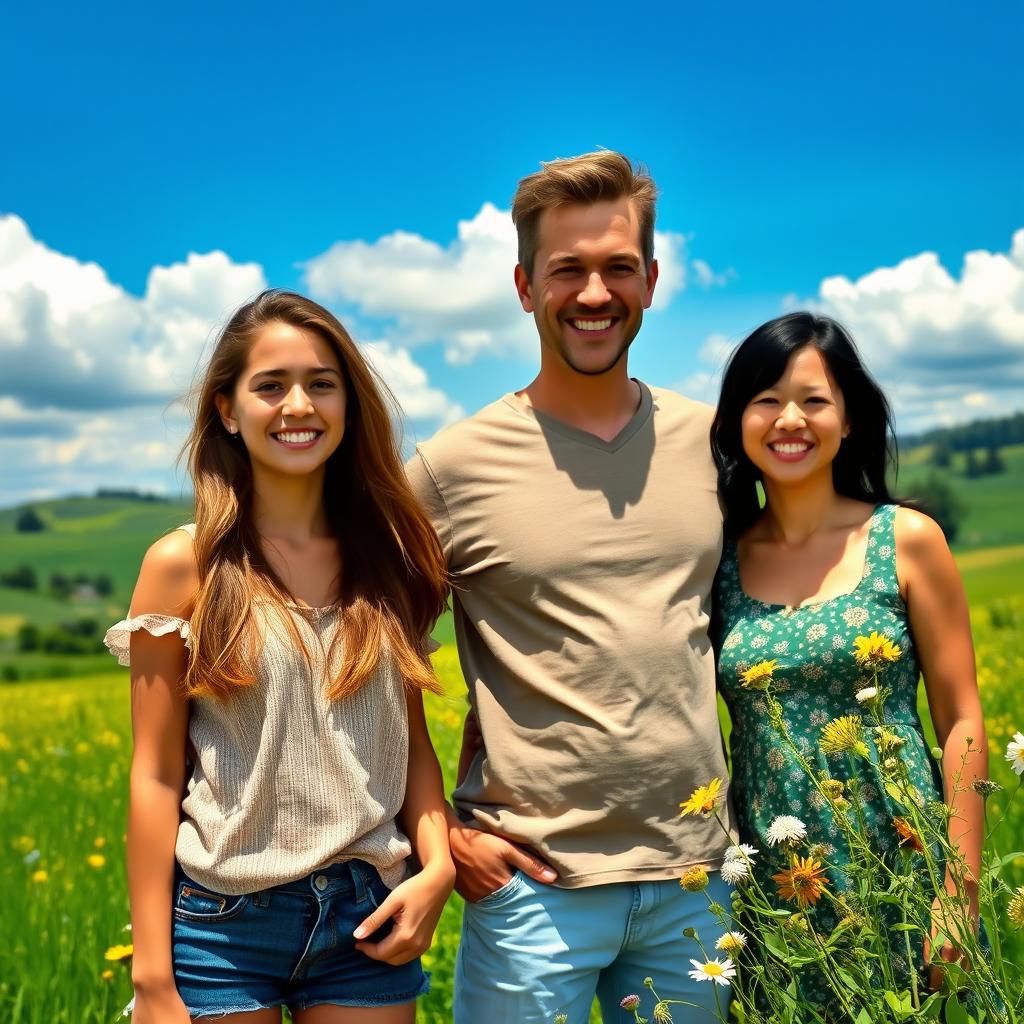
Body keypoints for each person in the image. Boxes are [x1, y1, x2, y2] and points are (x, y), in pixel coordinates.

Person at [406, 151, 735, 1023]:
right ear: (524, 286)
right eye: (569, 270)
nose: (596, 293)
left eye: (618, 268)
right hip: (531, 888)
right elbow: (374, 656)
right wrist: (439, 828)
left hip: (696, 883)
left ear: (653, 280)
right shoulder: (450, 468)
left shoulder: (715, 444)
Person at [104, 290, 454, 1023]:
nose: (299, 404)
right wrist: (151, 980)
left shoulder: (390, 561)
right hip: (222, 927)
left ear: (349, 405)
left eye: (321, 383)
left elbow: (409, 746)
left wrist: (439, 866)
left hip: (369, 915)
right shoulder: (183, 566)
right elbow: (156, 773)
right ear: (228, 410)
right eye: (271, 385)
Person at [710, 312, 988, 1001]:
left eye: (813, 400)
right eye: (765, 400)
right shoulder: (716, 564)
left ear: (850, 418)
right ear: (738, 422)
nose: (789, 420)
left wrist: (959, 890)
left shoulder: (908, 539)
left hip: (904, 866)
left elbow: (962, 721)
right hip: (779, 889)